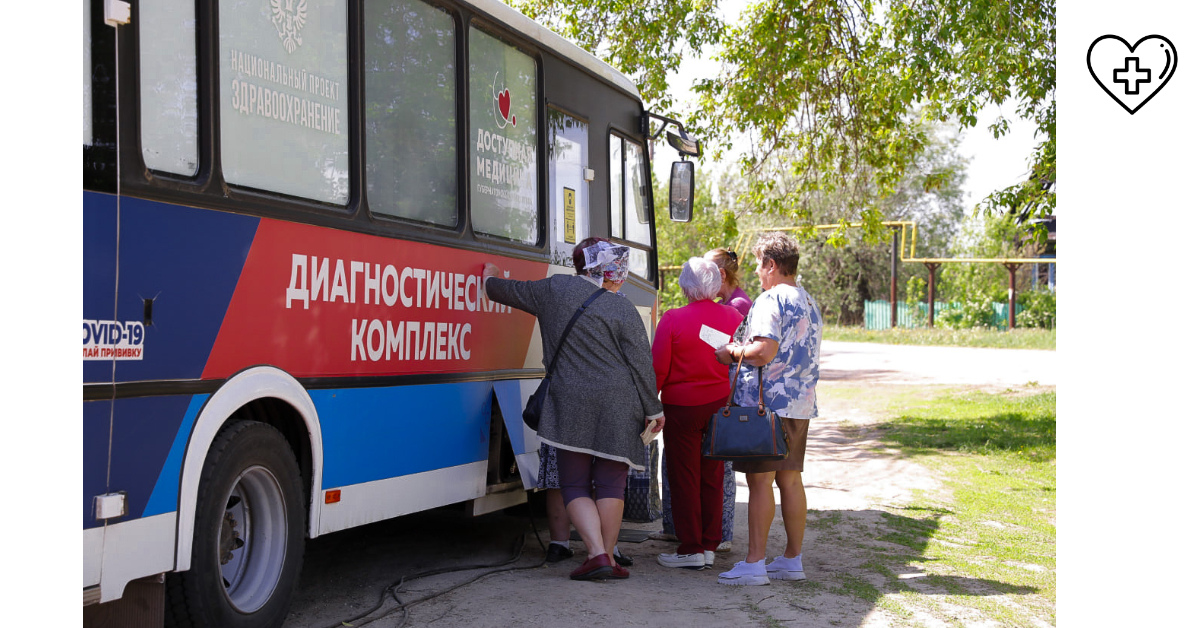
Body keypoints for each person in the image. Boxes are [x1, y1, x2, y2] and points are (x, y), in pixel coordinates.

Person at [483, 239, 664, 581]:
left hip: (570, 402)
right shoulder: (622, 307)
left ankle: (597, 554)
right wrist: (654, 409)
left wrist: (489, 278)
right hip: (619, 403)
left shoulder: (554, 290)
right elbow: (641, 365)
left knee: (574, 483)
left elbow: (505, 290)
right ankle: (606, 558)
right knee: (612, 484)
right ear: (611, 269)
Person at [713, 232, 822, 586]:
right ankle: (792, 558)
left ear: (771, 265)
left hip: (766, 406)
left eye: (760, 265)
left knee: (759, 482)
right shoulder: (809, 301)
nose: (758, 274)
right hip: (800, 405)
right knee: (790, 480)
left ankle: (754, 563)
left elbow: (764, 351)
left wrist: (731, 350)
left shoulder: (770, 299)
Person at [652, 258, 745, 571]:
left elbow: (659, 368)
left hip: (682, 408)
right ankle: (708, 545)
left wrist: (651, 404)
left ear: (685, 285)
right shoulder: (733, 315)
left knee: (684, 477)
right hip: (720, 405)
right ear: (716, 284)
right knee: (713, 476)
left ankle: (690, 547)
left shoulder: (673, 318)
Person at [705, 248, 753, 317]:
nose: (702, 280)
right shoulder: (723, 302)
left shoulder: (737, 305)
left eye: (706, 274)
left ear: (722, 274)